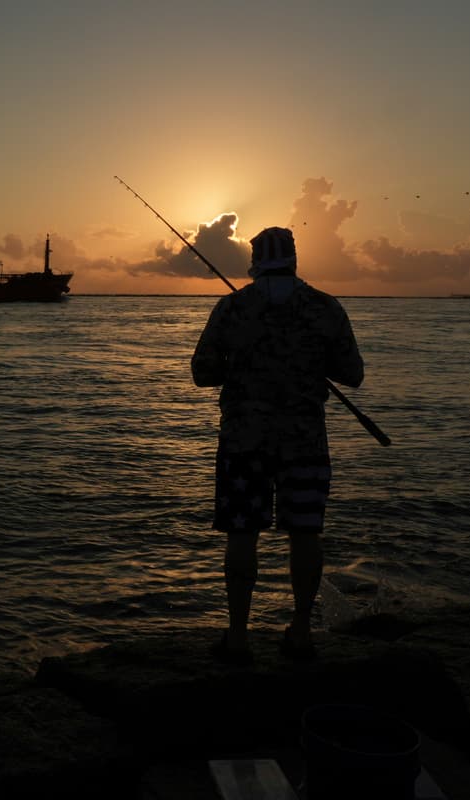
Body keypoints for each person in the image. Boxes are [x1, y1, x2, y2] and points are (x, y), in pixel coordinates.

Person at [191, 226, 364, 664]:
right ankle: (301, 632)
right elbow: (353, 374)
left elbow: (203, 373)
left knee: (242, 533)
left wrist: (242, 362)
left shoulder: (232, 308)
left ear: (253, 262)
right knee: (305, 532)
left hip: (243, 441)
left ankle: (237, 638)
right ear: (294, 259)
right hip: (304, 440)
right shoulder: (325, 307)